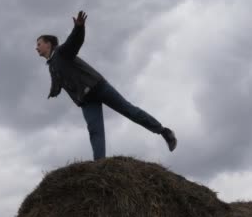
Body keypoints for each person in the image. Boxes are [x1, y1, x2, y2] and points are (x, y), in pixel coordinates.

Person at [36, 10, 177, 160]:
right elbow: (57, 81)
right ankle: (100, 165)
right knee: (94, 130)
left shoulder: (61, 53)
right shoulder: (52, 65)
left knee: (129, 111)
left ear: (48, 44)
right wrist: (53, 91)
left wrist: (78, 28)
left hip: (97, 86)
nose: (36, 48)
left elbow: (74, 42)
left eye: (39, 44)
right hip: (85, 99)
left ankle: (164, 131)